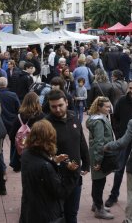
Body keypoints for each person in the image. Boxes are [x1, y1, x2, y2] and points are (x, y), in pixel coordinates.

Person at [19, 119, 79, 223]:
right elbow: (61, 192)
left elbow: (37, 170)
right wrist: (71, 173)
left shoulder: (26, 153)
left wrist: (54, 161)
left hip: (30, 210)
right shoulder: (45, 167)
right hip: (46, 214)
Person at [46, 89, 90, 223]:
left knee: (72, 213)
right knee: (58, 215)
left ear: (66, 102)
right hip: (56, 178)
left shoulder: (73, 117)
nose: (57, 109)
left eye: (60, 105)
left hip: (75, 176)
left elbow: (81, 141)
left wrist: (87, 163)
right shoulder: (46, 124)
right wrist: (58, 162)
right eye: (53, 107)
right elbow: (43, 154)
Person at [105, 79, 132, 208]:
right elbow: (114, 117)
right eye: (130, 88)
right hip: (124, 140)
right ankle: (114, 195)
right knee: (119, 169)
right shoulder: (122, 101)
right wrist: (119, 134)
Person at [86, 97, 115, 220]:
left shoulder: (98, 118)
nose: (109, 109)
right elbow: (99, 141)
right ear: (99, 107)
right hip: (99, 154)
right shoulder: (99, 121)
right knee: (99, 181)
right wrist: (98, 161)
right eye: (106, 107)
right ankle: (99, 208)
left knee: (98, 180)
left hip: (98, 153)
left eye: (109, 106)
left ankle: (96, 204)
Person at [10, 92, 44, 172]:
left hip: (23, 153)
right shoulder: (41, 116)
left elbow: (12, 135)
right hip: (38, 153)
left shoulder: (19, 116)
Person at [0, 77, 20, 177]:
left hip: (0, 123)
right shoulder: (13, 95)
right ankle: (15, 164)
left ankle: (2, 166)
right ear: (6, 84)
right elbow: (19, 108)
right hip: (12, 122)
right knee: (15, 143)